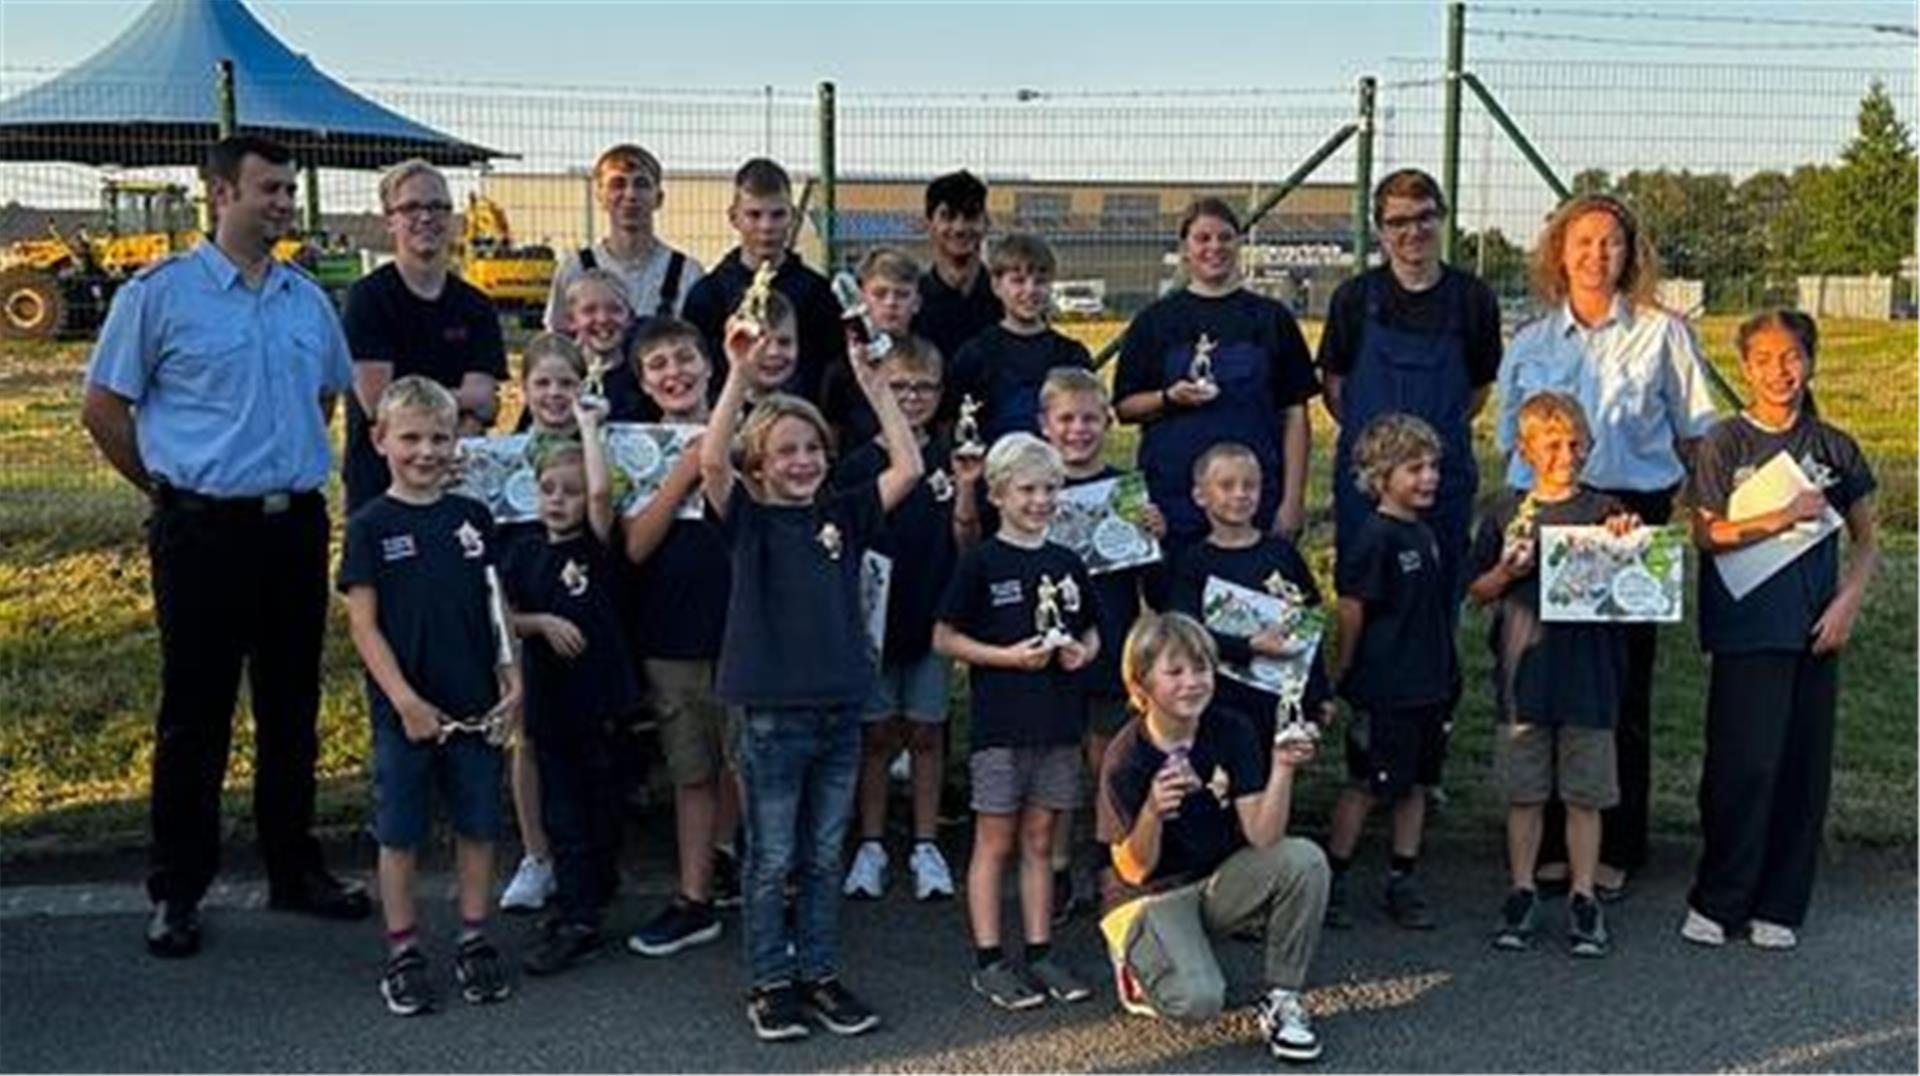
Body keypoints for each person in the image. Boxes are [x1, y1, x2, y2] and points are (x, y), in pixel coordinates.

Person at [81, 134, 371, 960]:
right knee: (196, 717)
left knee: (292, 711)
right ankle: (178, 889)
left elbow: (325, 394)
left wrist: (270, 472)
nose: (284, 203)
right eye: (270, 189)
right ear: (220, 193)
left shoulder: (305, 300)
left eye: (288, 190)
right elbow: (104, 408)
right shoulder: (160, 296)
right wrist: (171, 492)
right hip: (200, 533)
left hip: (292, 530)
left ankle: (293, 867)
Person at [702, 313, 922, 1042]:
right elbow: (710, 466)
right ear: (759, 464)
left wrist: (876, 387)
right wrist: (737, 373)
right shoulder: (748, 522)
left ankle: (820, 973)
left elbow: (910, 469)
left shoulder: (844, 515)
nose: (802, 461)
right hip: (767, 715)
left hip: (839, 709)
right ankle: (771, 982)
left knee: (824, 854)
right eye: (784, 451)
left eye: (812, 449)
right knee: (771, 859)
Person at [1496, 193, 1720, 900]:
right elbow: (1509, 441)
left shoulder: (1663, 333)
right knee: (1546, 682)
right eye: (1583, 242)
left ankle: (1617, 844)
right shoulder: (1530, 343)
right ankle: (1557, 847)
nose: (1598, 255)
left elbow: (1695, 434)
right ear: (1560, 252)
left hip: (1628, 517)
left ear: (1631, 254)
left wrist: (1697, 509)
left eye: (1612, 243)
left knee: (1618, 689)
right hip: (1549, 513)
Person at [1681, 310, 1878, 950]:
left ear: (1811, 360)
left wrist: (1847, 602)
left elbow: (1868, 540)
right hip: (1744, 629)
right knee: (1742, 767)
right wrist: (1782, 514)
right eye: (1763, 359)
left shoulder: (1835, 447)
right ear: (1745, 367)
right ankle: (1720, 897)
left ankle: (1780, 904)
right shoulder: (1724, 442)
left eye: (1791, 356)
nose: (1779, 371)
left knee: (1800, 769)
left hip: (1813, 630)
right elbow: (1708, 534)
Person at [338, 377, 520, 1016]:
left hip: (474, 707)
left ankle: (474, 938)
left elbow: (496, 605)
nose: (426, 451)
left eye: (439, 437)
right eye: (410, 437)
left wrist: (512, 678)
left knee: (478, 824)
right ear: (380, 439)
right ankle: (404, 949)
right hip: (406, 715)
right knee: (401, 833)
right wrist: (406, 702)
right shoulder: (369, 525)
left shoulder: (472, 517)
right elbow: (363, 625)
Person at [1096, 612, 1328, 1063]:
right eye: (1175, 672)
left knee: (1305, 859)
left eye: (1201, 668)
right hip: (1148, 897)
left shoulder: (1232, 729)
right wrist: (1152, 812)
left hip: (1213, 883)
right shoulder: (1126, 756)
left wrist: (1282, 769)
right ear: (1141, 686)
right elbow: (1132, 869)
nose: (1192, 682)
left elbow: (1264, 837)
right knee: (1198, 1003)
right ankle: (1136, 961)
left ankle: (1283, 998)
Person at [1465, 392, 1639, 958]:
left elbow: (1637, 584)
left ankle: (1584, 896)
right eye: (1553, 444)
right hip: (1524, 678)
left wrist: (1628, 540)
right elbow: (1477, 592)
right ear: (1526, 449)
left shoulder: (1605, 509)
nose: (1567, 453)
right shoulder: (1504, 511)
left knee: (1586, 794)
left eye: (1575, 443)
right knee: (1525, 793)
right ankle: (1521, 888)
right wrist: (1506, 568)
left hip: (1591, 676)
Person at [934, 433, 1101, 1010]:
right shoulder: (981, 561)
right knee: (996, 840)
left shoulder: (1068, 562)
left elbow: (1091, 629)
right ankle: (988, 959)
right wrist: (1008, 658)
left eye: (1050, 488)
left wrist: (1084, 652)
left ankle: (1039, 950)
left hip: (1058, 724)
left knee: (1040, 838)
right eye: (1027, 489)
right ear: (998, 493)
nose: (1040, 500)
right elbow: (944, 637)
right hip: (1001, 727)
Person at [1113, 198, 1318, 597]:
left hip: (1252, 497)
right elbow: (1124, 408)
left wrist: (1292, 501)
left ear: (1240, 243)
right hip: (1175, 498)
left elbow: (1296, 414)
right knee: (1178, 610)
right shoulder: (1155, 321)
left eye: (1225, 237)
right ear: (1185, 247)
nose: (1214, 247)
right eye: (1202, 238)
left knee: (1258, 611)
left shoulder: (1271, 319)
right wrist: (1169, 399)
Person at [504, 404, 645, 977]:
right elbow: (502, 617)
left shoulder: (596, 545)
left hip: (602, 704)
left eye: (570, 490)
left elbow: (600, 499)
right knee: (563, 813)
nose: (560, 500)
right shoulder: (521, 551)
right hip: (550, 704)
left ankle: (590, 901)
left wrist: (589, 428)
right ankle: (576, 913)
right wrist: (540, 623)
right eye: (548, 490)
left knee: (602, 810)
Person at [1318, 168, 1501, 606]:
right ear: (1380, 231)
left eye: (1424, 217)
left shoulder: (1474, 299)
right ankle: (1360, 674)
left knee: (1440, 588)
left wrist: (1425, 446)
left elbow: (1477, 392)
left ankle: (1435, 671)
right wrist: (1381, 448)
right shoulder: (1354, 299)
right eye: (1398, 222)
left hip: (1442, 474)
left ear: (1441, 220)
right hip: (1369, 482)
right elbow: (1334, 389)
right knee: (1363, 590)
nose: (1413, 231)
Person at [617, 318, 742, 956]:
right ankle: (694, 898)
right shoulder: (633, 448)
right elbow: (634, 545)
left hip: (746, 639)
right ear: (642, 382)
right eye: (658, 365)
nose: (675, 373)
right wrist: (681, 475)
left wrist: (715, 459)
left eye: (686, 359)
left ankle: (752, 875)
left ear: (711, 363)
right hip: (671, 641)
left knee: (748, 766)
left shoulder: (750, 431)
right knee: (693, 771)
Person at [840, 337, 977, 904]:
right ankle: (870, 843)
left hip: (932, 616)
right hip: (873, 625)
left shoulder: (956, 457)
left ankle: (925, 842)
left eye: (924, 387)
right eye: (899, 387)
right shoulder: (857, 465)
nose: (913, 397)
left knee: (925, 731)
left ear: (941, 394)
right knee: (875, 736)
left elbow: (968, 542)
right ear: (878, 392)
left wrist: (967, 491)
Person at [1035, 367, 1163, 924]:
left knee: (1109, 763)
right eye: (1066, 418)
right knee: (1058, 764)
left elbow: (1153, 589)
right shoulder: (1033, 489)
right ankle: (1060, 868)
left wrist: (1155, 537)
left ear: (1108, 421)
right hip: (1051, 655)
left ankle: (1114, 864)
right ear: (1045, 425)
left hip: (1113, 650)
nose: (1079, 429)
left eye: (1090, 418)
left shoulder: (1126, 490)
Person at [1322, 414, 1458, 931]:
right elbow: (1353, 609)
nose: (1428, 478)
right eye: (1414, 469)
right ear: (1382, 477)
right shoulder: (1374, 538)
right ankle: (1333, 875)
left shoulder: (1424, 534)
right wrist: (1347, 667)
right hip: (1385, 688)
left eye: (1433, 468)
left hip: (1428, 685)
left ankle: (1403, 875)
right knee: (1367, 783)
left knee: (1417, 784)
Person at [342, 159, 507, 513]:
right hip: (381, 493)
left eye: (437, 207)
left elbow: (487, 404)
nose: (426, 217)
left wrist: (414, 403)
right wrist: (461, 402)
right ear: (390, 220)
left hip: (458, 486)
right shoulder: (368, 299)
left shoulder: (476, 306)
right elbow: (378, 404)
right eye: (411, 207)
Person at [496, 333, 592, 915]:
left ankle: (583, 851)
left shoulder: (604, 446)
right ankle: (536, 855)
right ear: (523, 389)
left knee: (583, 740)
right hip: (524, 612)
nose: (555, 394)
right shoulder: (498, 456)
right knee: (526, 736)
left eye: (567, 382)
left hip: (586, 616)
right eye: (543, 383)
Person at [1167, 441, 1334, 746]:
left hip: (1279, 697)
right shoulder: (1193, 563)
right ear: (1200, 495)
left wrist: (1318, 693)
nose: (1240, 494)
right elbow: (1187, 634)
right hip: (1220, 700)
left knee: (1279, 774)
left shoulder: (1282, 555)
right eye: (1227, 486)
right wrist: (1249, 646)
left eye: (1250, 485)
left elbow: (1310, 623)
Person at [682, 157, 846, 405]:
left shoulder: (817, 293)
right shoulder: (708, 294)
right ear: (734, 217)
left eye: (777, 215)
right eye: (754, 215)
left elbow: (830, 368)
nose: (766, 226)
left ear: (793, 217)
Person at [949, 234, 1093, 445]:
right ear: (996, 286)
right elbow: (958, 423)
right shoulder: (976, 353)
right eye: (1018, 281)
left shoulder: (1071, 354)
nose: (1030, 290)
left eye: (1040, 281)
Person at [543, 143, 704, 332]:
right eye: (617, 184)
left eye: (641, 184)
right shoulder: (574, 269)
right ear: (601, 197)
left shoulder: (687, 273)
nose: (630, 195)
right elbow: (556, 343)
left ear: (659, 198)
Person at [822, 246, 928, 443]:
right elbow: (831, 435)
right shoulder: (841, 370)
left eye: (902, 294)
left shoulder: (930, 360)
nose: (891, 303)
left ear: (917, 303)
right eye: (880, 294)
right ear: (862, 298)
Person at [912, 169, 1003, 370]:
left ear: (987, 223)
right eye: (948, 216)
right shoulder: (911, 302)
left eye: (970, 216)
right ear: (928, 224)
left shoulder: (1007, 301)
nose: (960, 228)